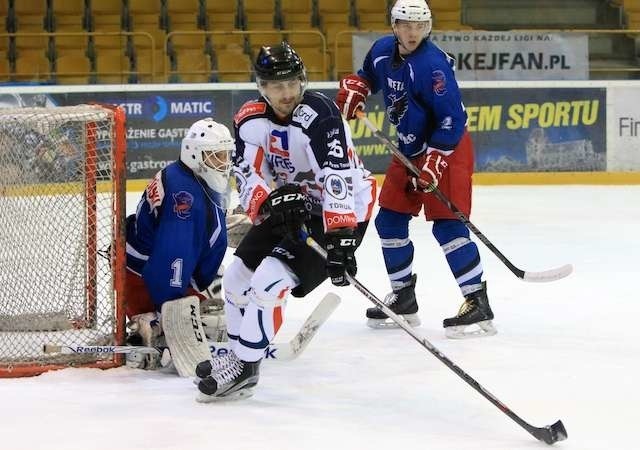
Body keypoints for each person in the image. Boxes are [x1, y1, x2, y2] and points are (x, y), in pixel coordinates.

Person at [195, 41, 377, 401]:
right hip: (290, 205)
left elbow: (337, 175)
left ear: (302, 81)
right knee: (235, 277)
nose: (287, 93)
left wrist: (342, 238)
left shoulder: (321, 115)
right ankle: (238, 350)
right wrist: (269, 199)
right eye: (277, 86)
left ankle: (247, 367)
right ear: (262, 87)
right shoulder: (248, 119)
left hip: (338, 211)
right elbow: (246, 173)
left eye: (293, 83)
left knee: (269, 279)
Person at [335, 0, 496, 339]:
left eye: (419, 25)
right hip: (409, 147)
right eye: (405, 24)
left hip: (446, 146)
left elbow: (453, 119)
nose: (412, 32)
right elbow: (367, 78)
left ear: (428, 27)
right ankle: (404, 297)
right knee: (389, 220)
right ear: (393, 25)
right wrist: (356, 88)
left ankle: (477, 300)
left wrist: (436, 160)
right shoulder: (381, 50)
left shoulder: (432, 66)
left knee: (447, 226)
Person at [124, 118, 234, 374]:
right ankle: (148, 322)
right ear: (194, 154)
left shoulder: (185, 176)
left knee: (218, 275)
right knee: (203, 311)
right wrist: (172, 311)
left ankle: (168, 311)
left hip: (146, 266)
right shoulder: (184, 199)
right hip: (144, 279)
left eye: (225, 155)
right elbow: (171, 258)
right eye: (216, 156)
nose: (224, 162)